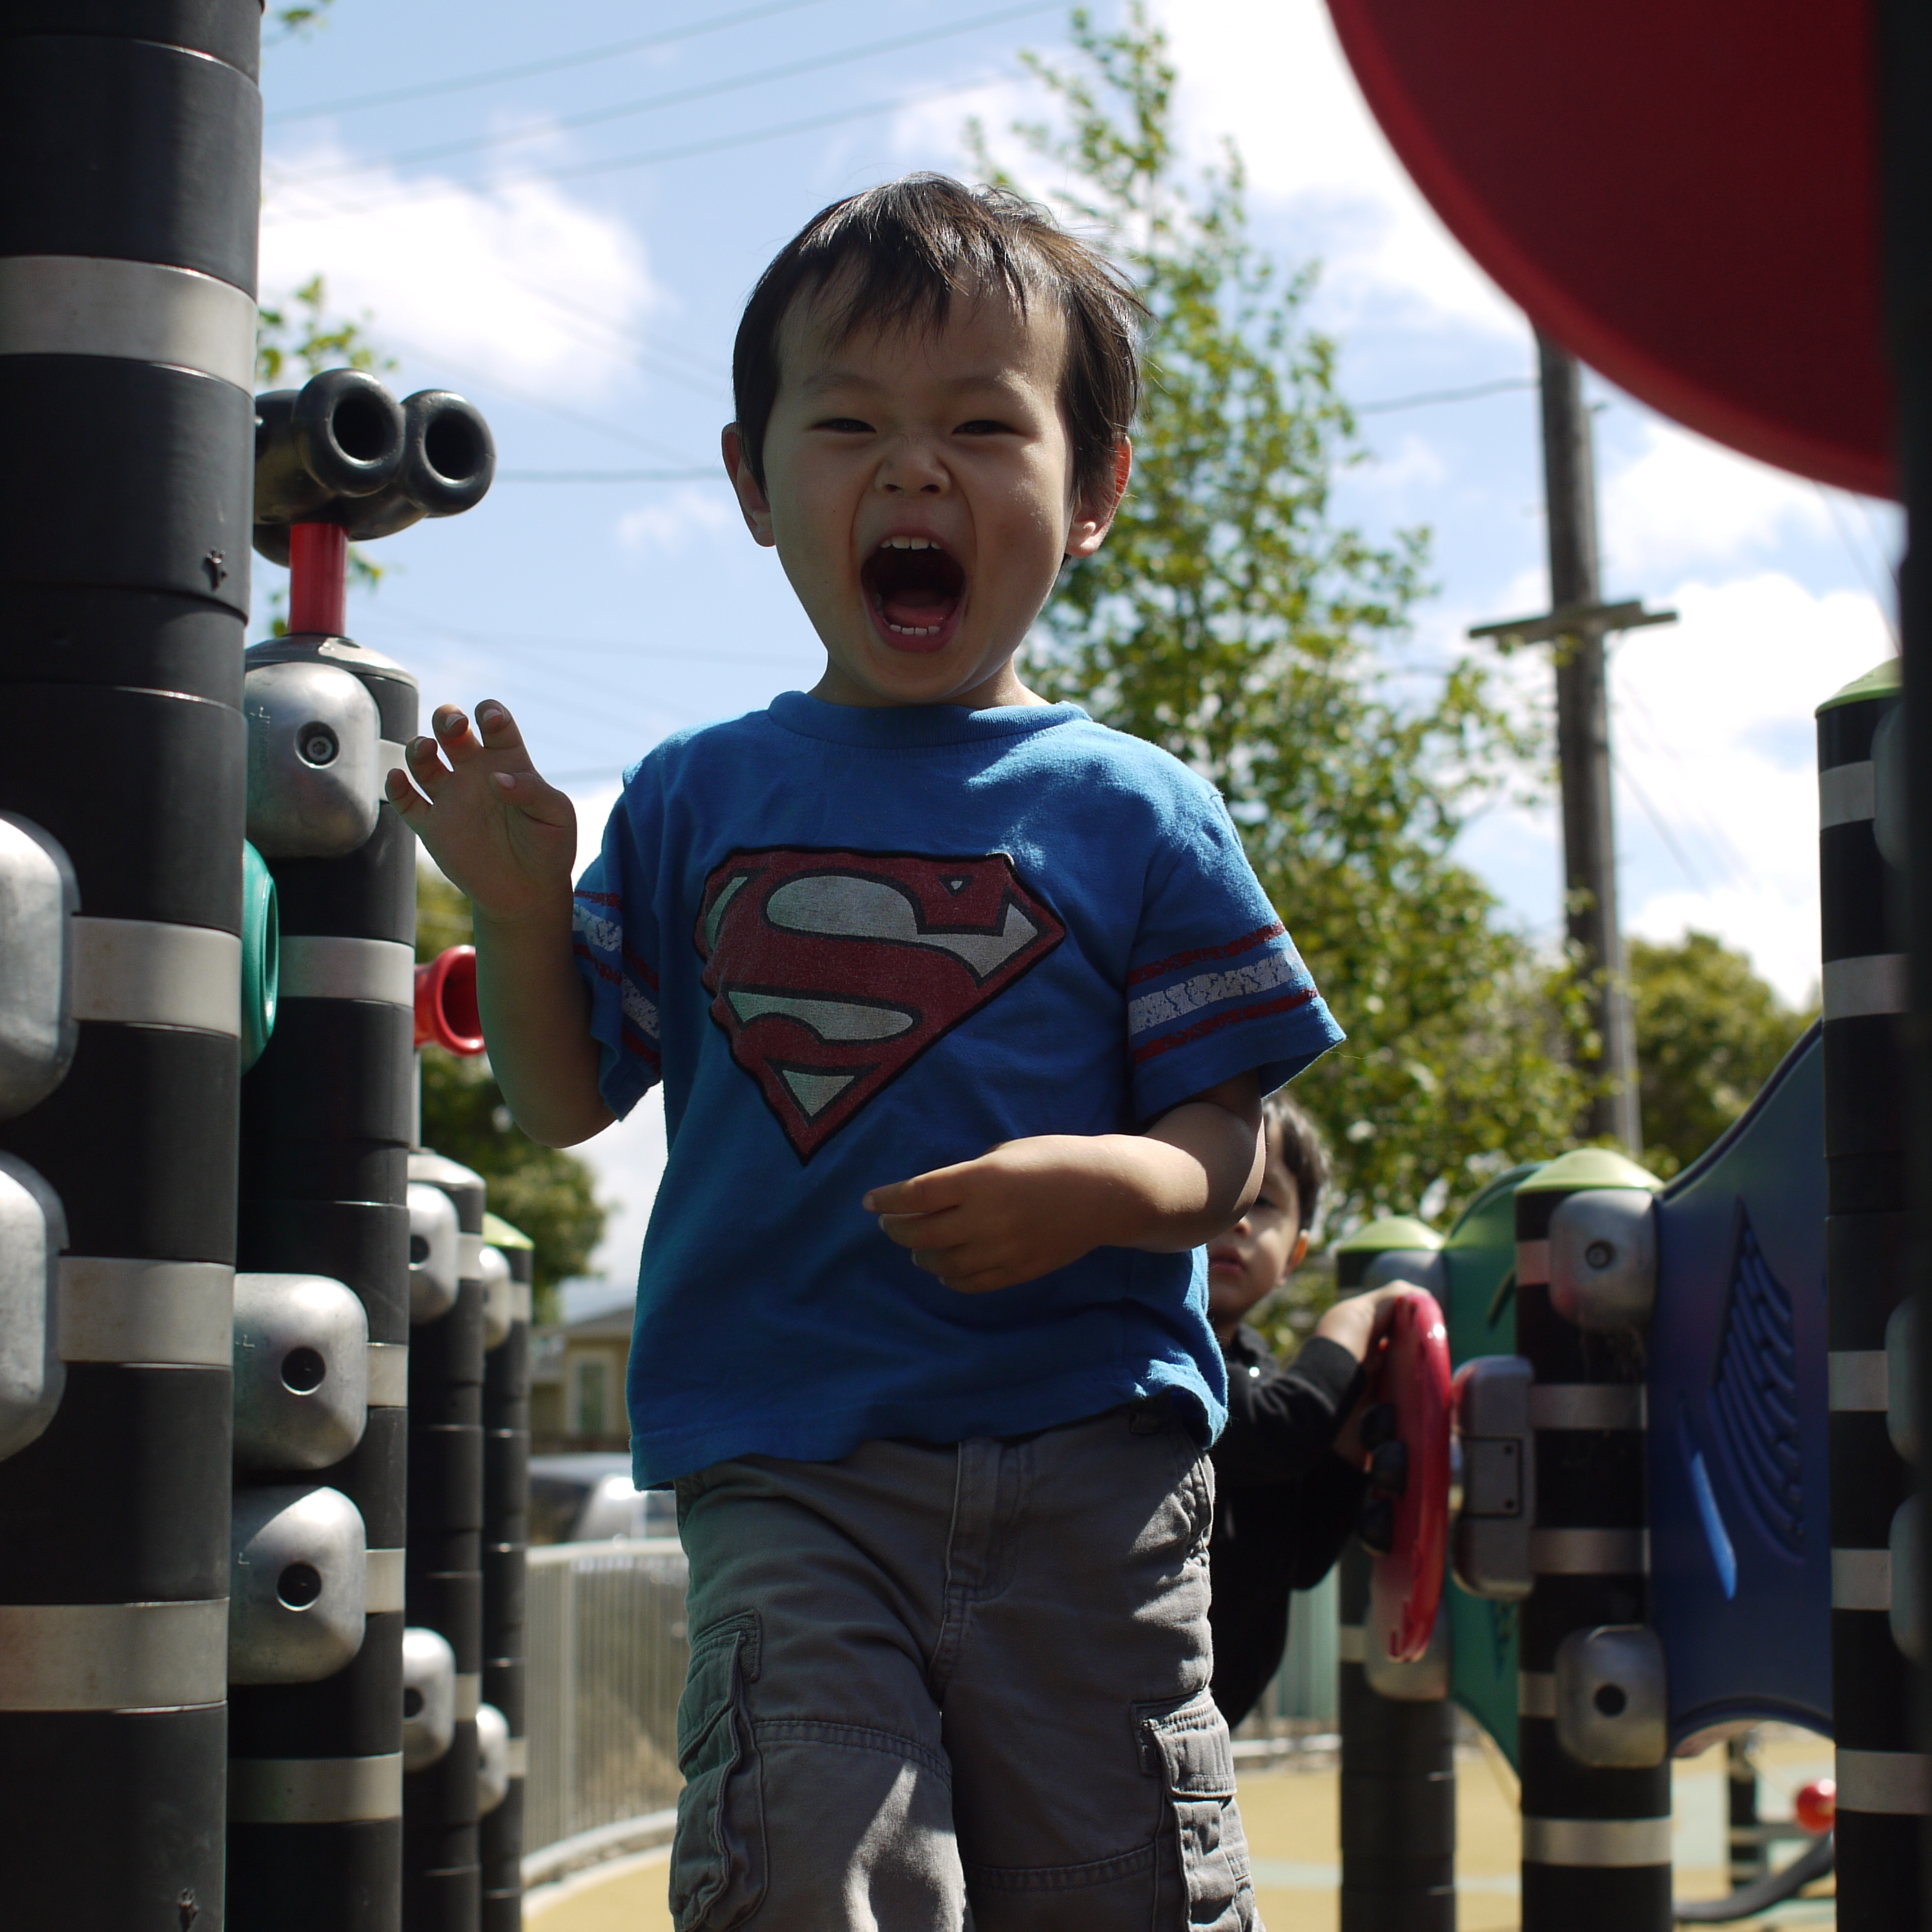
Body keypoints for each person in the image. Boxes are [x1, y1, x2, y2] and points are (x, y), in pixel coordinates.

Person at [388, 174, 1345, 1932]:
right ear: (754, 484)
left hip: (1093, 1473)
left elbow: (1225, 1142)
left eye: (982, 426)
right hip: (792, 1468)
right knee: (808, 1863)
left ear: (1094, 492)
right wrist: (518, 918)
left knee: (1117, 1885)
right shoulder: (695, 795)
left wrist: (1097, 1185)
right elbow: (564, 1096)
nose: (913, 471)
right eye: (848, 426)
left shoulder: (1139, 812)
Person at [1203, 1093, 1401, 1728]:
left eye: (1261, 1201)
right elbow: (1274, 1434)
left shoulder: (1256, 1367)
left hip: (1200, 1729)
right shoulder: (1149, 1351)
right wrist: (1350, 1324)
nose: (1236, 1218)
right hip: (1108, 1713)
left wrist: (1348, 1431)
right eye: (1212, 1185)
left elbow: (1301, 1555)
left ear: (1294, 1256)